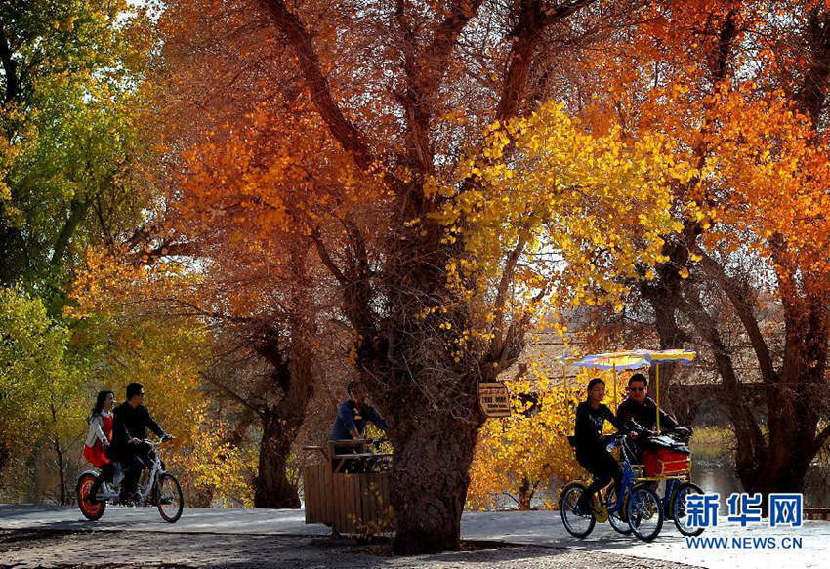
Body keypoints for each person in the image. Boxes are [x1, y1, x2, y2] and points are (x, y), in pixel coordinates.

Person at [108, 383, 170, 504]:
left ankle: (156, 497)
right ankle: (128, 491)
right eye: (141, 394)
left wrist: (163, 434)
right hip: (123, 447)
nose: (143, 396)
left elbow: (151, 423)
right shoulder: (120, 411)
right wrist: (130, 438)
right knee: (137, 463)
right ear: (134, 396)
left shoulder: (142, 410)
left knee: (160, 465)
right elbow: (120, 429)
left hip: (141, 445)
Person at [573, 378, 624, 512]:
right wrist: (598, 436)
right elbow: (583, 428)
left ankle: (621, 506)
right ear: (590, 392)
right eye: (597, 389)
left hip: (599, 451)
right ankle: (582, 502)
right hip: (586, 452)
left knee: (619, 473)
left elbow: (616, 422)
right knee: (605, 478)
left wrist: (628, 429)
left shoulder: (603, 409)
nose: (600, 392)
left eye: (602, 389)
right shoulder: (583, 408)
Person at [328, 381, 389, 471]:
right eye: (356, 392)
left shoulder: (366, 410)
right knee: (363, 457)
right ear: (351, 394)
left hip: (354, 445)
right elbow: (352, 430)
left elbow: (381, 423)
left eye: (362, 391)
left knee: (373, 460)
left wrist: (391, 431)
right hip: (338, 446)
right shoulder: (345, 408)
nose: (360, 395)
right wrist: (361, 441)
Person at [83, 390, 114, 480]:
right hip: (94, 450)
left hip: (107, 448)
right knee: (109, 467)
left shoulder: (111, 416)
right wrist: (104, 440)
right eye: (110, 399)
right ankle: (93, 492)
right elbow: (98, 430)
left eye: (113, 398)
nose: (113, 401)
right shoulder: (96, 416)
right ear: (103, 401)